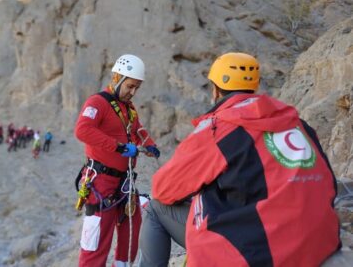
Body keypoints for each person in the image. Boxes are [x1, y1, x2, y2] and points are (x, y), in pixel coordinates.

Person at [139, 52, 341, 267]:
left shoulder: (220, 127)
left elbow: (164, 189)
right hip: (318, 244)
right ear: (254, 87)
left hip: (258, 252)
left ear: (215, 90)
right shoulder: (298, 124)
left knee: (155, 207)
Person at [75, 54, 161, 267]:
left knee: (131, 230)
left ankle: (121, 265)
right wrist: (119, 147)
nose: (132, 92)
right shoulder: (97, 103)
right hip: (101, 182)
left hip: (124, 182)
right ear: (116, 78)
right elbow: (82, 130)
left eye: (136, 88)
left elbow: (137, 127)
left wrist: (149, 143)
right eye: (130, 86)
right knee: (96, 239)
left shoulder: (128, 107)